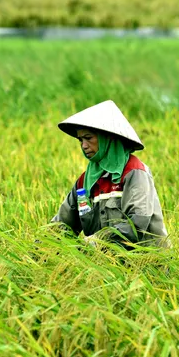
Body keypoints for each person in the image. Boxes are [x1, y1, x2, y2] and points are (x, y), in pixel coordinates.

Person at [50, 100, 168, 249]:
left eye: (88, 138)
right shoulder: (84, 182)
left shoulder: (134, 173)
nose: (84, 145)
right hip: (106, 265)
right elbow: (61, 226)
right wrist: (37, 251)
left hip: (146, 263)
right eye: (80, 140)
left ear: (108, 137)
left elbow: (137, 225)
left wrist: (95, 241)